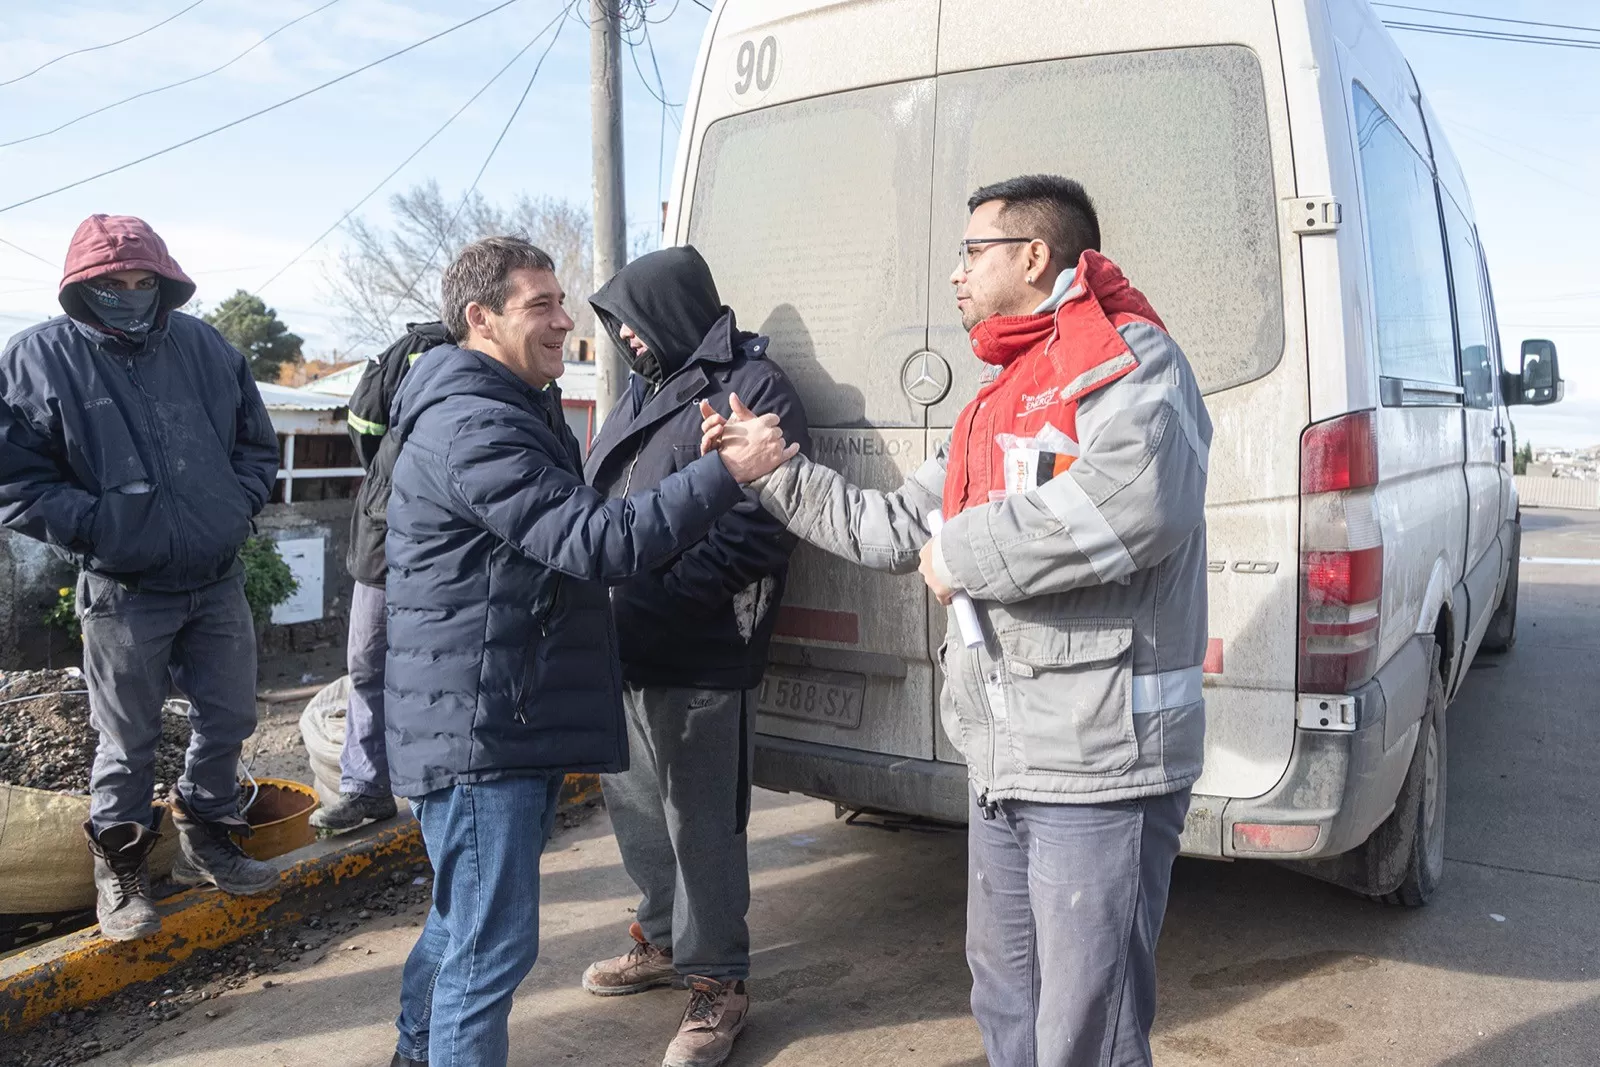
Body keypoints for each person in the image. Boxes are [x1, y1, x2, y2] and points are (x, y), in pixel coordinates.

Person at [702, 175, 1211, 1067]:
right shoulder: (996, 397)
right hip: (1005, 757)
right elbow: (897, 527)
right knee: (1006, 993)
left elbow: (1134, 503)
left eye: (972, 252)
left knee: (1087, 1024)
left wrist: (965, 551)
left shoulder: (1129, 360)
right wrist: (773, 469)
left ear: (1035, 255)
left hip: (1099, 762)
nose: (955, 276)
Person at [382, 236, 796, 1067]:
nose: (569, 322)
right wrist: (723, 476)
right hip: (482, 727)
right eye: (542, 305)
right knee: (485, 950)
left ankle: (418, 1052)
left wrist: (657, 594)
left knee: (467, 926)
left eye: (565, 302)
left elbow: (692, 533)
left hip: (533, 702)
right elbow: (592, 533)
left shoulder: (513, 403)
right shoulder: (477, 422)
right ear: (479, 318)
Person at [0, 214, 281, 941]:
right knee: (125, 737)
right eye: (111, 284)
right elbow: (15, 480)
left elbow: (255, 443)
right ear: (82, 287)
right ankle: (119, 868)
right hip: (124, 588)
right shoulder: (37, 358)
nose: (129, 294)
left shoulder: (205, 346)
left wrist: (235, 505)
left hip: (215, 575)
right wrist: (103, 528)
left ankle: (208, 832)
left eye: (142, 282)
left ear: (163, 282)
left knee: (229, 716)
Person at [580, 246, 809, 1067]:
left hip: (701, 642)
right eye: (617, 329)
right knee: (638, 806)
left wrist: (660, 594)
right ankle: (665, 936)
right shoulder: (647, 388)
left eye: (634, 323)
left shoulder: (751, 385)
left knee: (703, 823)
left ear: (673, 310)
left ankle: (720, 980)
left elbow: (758, 524)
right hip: (622, 642)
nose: (627, 341)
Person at [310, 321, 452, 832]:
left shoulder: (510, 351)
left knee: (444, 670)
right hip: (384, 539)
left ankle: (442, 797)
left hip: (453, 547)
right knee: (369, 664)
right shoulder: (413, 349)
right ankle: (367, 788)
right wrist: (396, 480)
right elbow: (364, 427)